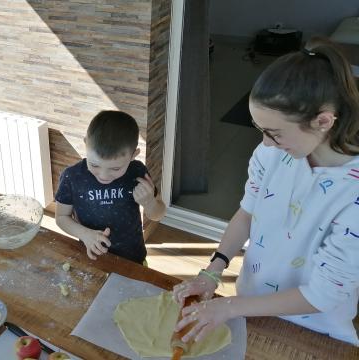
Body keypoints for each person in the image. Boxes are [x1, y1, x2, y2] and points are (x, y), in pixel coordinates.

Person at [172, 38, 359, 345]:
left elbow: (322, 294)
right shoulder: (271, 154)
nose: (267, 143)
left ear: (323, 121)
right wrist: (213, 272)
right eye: (262, 131)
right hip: (250, 303)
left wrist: (229, 306)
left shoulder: (352, 191)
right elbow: (247, 214)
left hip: (314, 329)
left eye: (275, 133)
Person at [54, 110, 166, 265]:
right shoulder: (72, 177)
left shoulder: (137, 172)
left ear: (133, 155)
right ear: (86, 144)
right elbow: (61, 217)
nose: (104, 175)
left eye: (115, 169)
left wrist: (150, 203)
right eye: (94, 165)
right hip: (91, 255)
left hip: (133, 257)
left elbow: (158, 214)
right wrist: (85, 234)